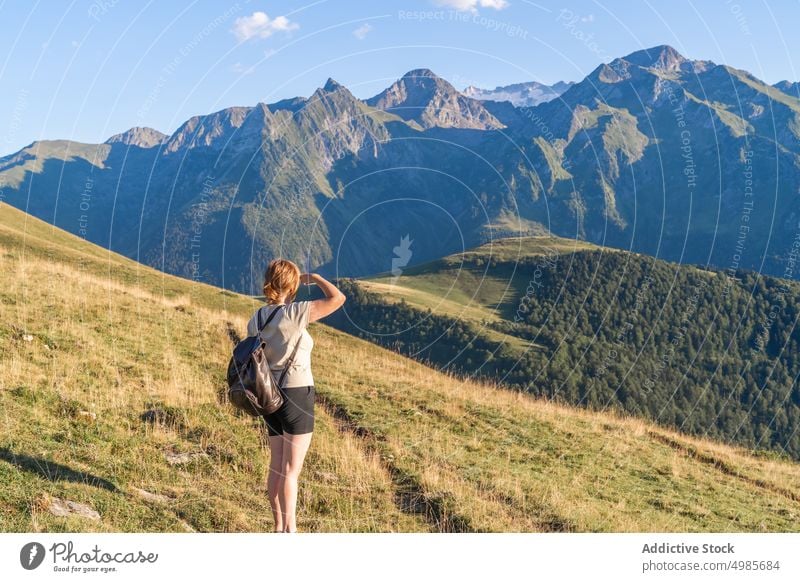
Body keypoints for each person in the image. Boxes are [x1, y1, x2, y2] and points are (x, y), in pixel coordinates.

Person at [245, 259, 346, 533]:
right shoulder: (294, 313)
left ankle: (278, 527)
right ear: (292, 284)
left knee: (276, 466)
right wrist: (314, 277)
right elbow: (338, 299)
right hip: (298, 394)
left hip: (270, 396)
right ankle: (291, 531)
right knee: (292, 471)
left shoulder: (256, 318)